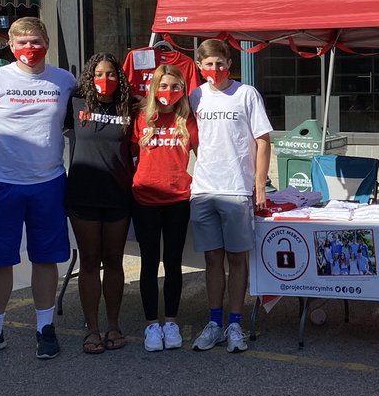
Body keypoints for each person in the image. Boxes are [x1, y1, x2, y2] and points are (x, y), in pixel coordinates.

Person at [0, 17, 75, 362]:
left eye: (36, 41)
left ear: (47, 43)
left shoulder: (64, 81)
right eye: (22, 42)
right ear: (11, 46)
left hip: (48, 183)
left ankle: (45, 328)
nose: (30, 48)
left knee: (46, 258)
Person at [189, 39, 273, 354]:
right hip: (204, 190)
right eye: (208, 64)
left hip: (237, 188)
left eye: (220, 63)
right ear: (200, 66)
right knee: (212, 259)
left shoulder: (246, 94)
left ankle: (235, 323)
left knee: (237, 259)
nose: (215, 70)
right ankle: (214, 323)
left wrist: (260, 185)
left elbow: (263, 141)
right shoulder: (195, 96)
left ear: (229, 63)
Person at [65, 53, 134, 354]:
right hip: (83, 194)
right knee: (90, 261)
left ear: (119, 78)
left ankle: (114, 325)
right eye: (98, 75)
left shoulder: (130, 106)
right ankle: (92, 329)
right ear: (89, 78)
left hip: (119, 194)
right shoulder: (75, 104)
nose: (104, 81)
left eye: (110, 75)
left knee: (115, 261)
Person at [131, 65, 198, 352]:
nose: (168, 92)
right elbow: (129, 156)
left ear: (182, 90)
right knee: (148, 263)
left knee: (172, 263)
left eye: (174, 86)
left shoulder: (188, 120)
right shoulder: (141, 119)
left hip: (178, 200)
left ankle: (170, 322)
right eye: (163, 86)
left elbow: (205, 155)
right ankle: (151, 325)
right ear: (153, 88)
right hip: (144, 200)